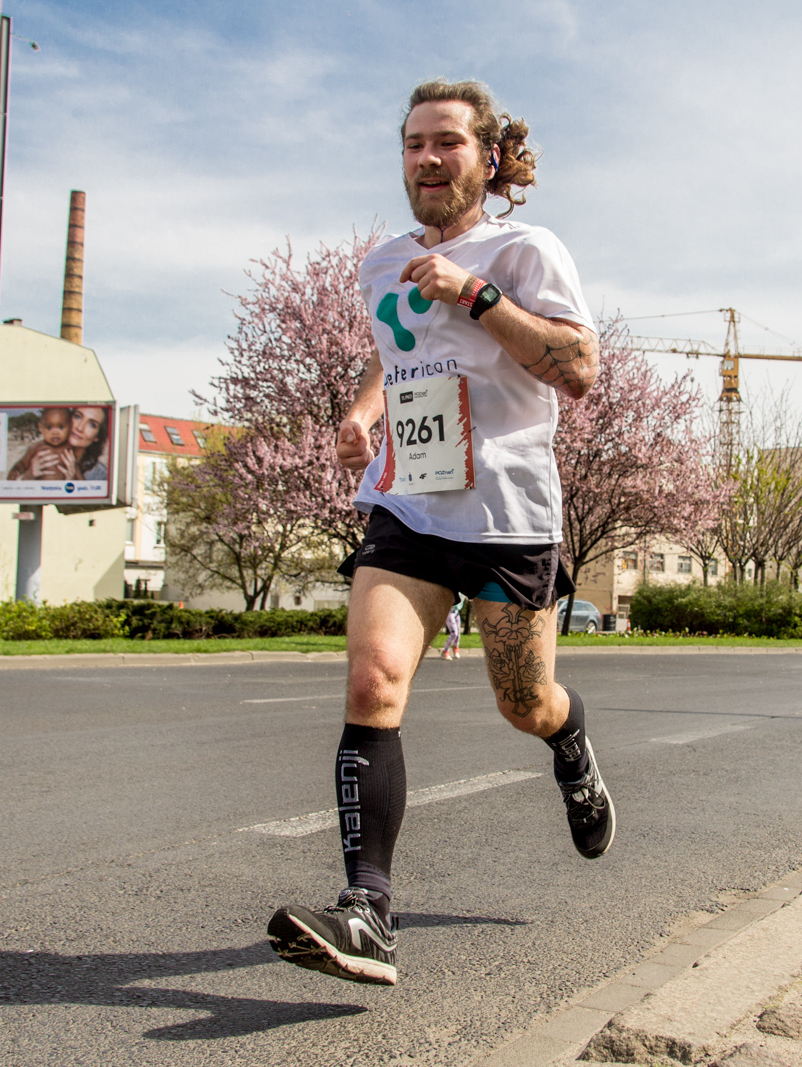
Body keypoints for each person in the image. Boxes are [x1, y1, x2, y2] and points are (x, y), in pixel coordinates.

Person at [266, 79, 612, 987]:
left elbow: (577, 368)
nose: (427, 158)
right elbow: (407, 357)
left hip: (507, 515)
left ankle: (570, 746)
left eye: (447, 143)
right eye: (414, 143)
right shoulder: (382, 262)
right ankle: (369, 910)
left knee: (523, 704)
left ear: (487, 158)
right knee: (373, 676)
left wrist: (479, 292)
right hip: (411, 501)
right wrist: (362, 411)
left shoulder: (526, 249)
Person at [6, 407, 73, 481]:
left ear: (70, 427)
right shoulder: (36, 447)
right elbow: (23, 464)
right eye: (49, 427)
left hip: (61, 490)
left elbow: (75, 469)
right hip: (39, 490)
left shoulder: (69, 449)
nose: (55, 432)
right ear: (41, 428)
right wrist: (15, 471)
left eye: (60, 427)